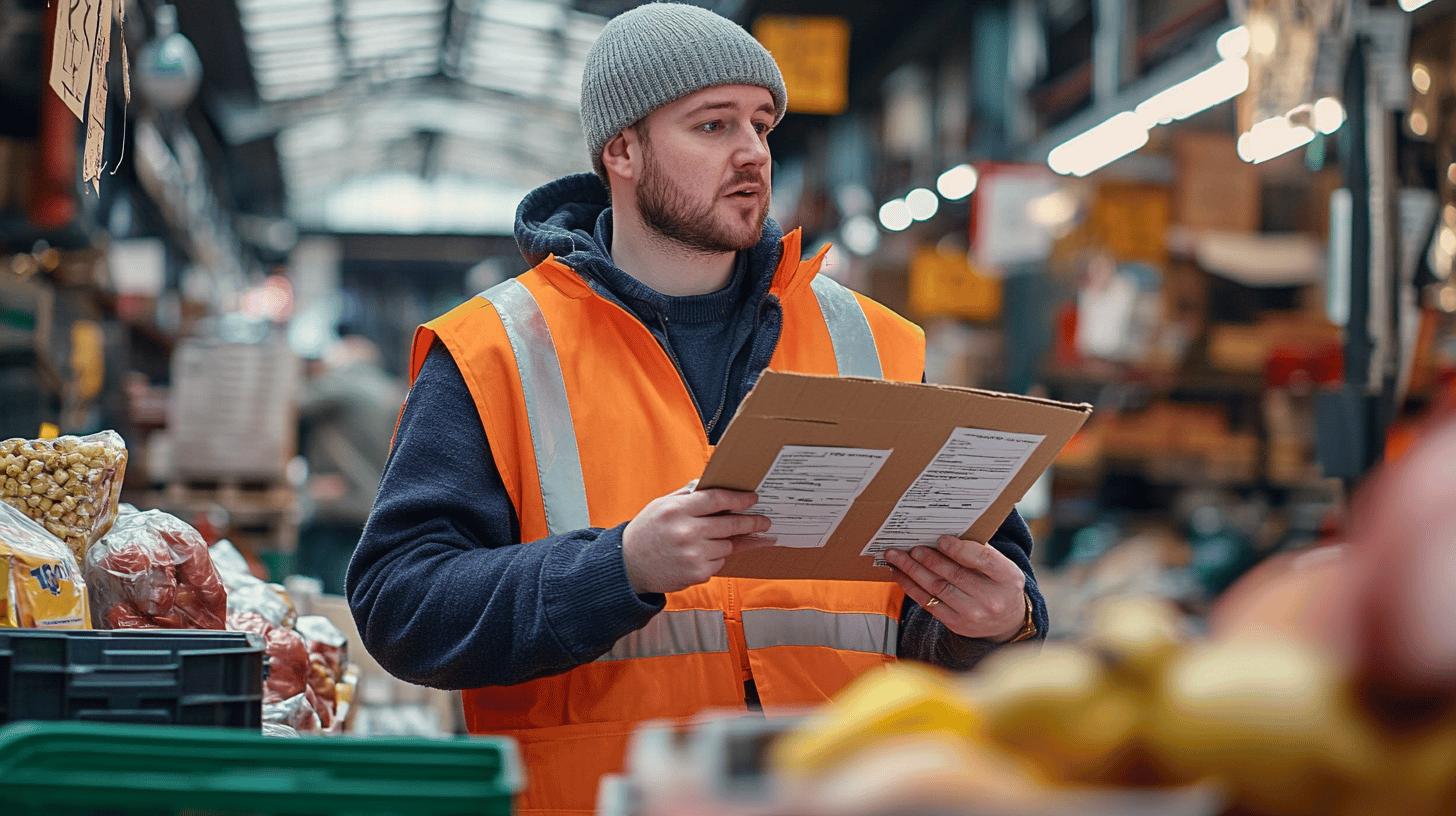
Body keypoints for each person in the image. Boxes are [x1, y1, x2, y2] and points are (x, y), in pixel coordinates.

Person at [348, 4, 1047, 812]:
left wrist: (995, 621)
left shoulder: (876, 343)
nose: (752, 152)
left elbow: (954, 600)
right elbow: (402, 605)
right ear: (623, 150)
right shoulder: (497, 349)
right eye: (713, 126)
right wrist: (617, 569)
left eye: (761, 124)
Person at [297, 332, 404, 593]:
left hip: (341, 498)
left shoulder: (345, 383)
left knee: (331, 581)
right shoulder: (392, 391)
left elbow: (294, 401)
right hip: (376, 499)